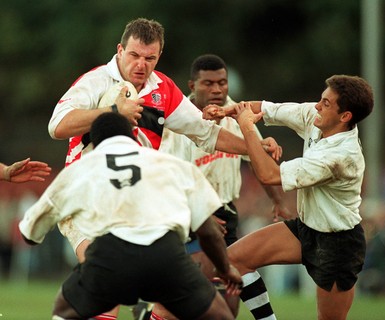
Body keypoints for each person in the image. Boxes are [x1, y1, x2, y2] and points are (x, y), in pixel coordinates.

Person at [48, 18, 279, 319]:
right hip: (87, 196)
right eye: (134, 55)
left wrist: (254, 147)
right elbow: (57, 126)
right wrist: (113, 111)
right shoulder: (95, 82)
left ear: (158, 57)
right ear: (120, 50)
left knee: (172, 297)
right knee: (105, 282)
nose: (141, 64)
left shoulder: (164, 89)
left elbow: (206, 133)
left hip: (137, 202)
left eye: (150, 58)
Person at [19, 112, 243, 320]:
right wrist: (225, 269)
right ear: (133, 138)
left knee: (64, 309)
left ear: (95, 144)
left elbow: (29, 233)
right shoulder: (169, 163)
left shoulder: (82, 167)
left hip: (111, 257)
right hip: (166, 256)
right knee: (220, 315)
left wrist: (33, 234)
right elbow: (209, 232)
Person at [204, 74, 374, 319]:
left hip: (338, 245)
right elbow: (265, 108)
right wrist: (228, 111)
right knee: (231, 261)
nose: (317, 105)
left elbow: (268, 174)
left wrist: (246, 126)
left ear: (345, 116)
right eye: (321, 98)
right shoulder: (317, 118)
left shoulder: (341, 157)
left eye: (326, 103)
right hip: (305, 229)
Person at [150, 54, 290, 320]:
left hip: (225, 212)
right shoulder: (180, 122)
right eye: (208, 83)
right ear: (192, 86)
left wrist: (278, 200)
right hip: (187, 216)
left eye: (222, 83)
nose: (217, 90)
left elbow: (257, 160)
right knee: (199, 294)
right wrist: (199, 215)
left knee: (228, 303)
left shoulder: (238, 114)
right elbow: (167, 179)